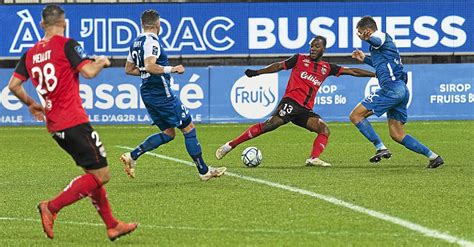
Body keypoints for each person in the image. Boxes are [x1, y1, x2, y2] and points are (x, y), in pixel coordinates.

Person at [7, 5, 137, 241]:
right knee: (102, 175)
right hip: (74, 121)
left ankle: (112, 225)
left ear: (41, 25)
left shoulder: (30, 53)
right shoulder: (67, 44)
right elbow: (88, 72)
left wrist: (31, 103)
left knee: (91, 174)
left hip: (55, 125)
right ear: (64, 23)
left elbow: (13, 85)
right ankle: (51, 207)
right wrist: (102, 62)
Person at [216, 36, 376, 166]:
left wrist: (375, 75)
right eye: (312, 46)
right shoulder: (299, 59)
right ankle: (230, 145)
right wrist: (258, 72)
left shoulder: (327, 67)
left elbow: (352, 71)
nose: (313, 49)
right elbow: (278, 66)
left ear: (323, 49)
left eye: (317, 46)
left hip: (305, 110)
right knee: (269, 126)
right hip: (291, 102)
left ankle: (313, 158)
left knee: (324, 129)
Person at [121, 9, 226, 180]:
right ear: (157, 24)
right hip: (161, 94)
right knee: (189, 127)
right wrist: (172, 69)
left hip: (148, 93)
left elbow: (129, 69)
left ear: (142, 24)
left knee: (169, 133)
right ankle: (204, 171)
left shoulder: (136, 42)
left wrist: (147, 72)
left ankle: (132, 156)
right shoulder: (151, 42)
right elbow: (149, 65)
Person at [350, 16, 444, 168]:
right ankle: (433, 157)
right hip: (401, 90)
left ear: (368, 30)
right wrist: (364, 59)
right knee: (397, 134)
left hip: (391, 89)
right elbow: (380, 63)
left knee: (355, 115)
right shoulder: (381, 47)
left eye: (360, 32)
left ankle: (380, 147)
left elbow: (376, 40)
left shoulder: (380, 36)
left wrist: (367, 38)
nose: (359, 35)